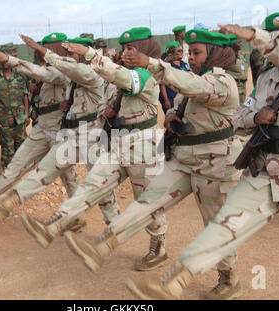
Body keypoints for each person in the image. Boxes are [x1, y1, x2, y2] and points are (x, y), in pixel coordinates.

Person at [125, 8, 279, 300]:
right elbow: (240, 116)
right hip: (267, 168)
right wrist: (256, 118)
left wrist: (257, 37)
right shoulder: (268, 77)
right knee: (225, 222)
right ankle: (175, 281)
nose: (274, 44)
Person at [65, 29, 245, 300]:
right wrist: (172, 115)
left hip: (215, 164)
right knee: (149, 199)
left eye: (196, 53)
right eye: (189, 53)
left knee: (215, 224)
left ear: (215, 53)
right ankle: (110, 243)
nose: (190, 58)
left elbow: (193, 88)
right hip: (185, 159)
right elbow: (181, 104)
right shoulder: (200, 77)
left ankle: (228, 277)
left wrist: (151, 64)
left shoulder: (223, 81)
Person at [19, 27, 168, 271]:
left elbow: (121, 78)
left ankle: (158, 243)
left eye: (132, 49)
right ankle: (57, 223)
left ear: (145, 50)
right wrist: (106, 109)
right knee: (94, 182)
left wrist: (90, 55)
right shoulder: (122, 74)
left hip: (145, 145)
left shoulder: (147, 74)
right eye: (125, 48)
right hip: (116, 140)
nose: (126, 52)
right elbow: (106, 94)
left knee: (146, 201)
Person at [0, 36, 120, 229]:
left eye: (72, 52)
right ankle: (10, 202)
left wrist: (36, 50)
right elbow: (44, 73)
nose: (68, 56)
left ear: (85, 54)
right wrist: (67, 106)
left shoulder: (90, 73)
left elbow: (70, 70)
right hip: (71, 133)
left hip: (92, 136)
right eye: (67, 52)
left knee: (100, 185)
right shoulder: (72, 78)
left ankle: (115, 228)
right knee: (45, 169)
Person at [0, 32, 79, 220]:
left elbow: (41, 73)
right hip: (42, 127)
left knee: (68, 176)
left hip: (59, 130)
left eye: (47, 47)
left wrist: (10, 59)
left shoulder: (67, 67)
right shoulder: (49, 66)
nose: (42, 51)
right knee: (16, 164)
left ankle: (75, 216)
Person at [0, 45, 30, 169]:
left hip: (19, 117)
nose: (5, 63)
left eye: (7, 60)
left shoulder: (19, 75)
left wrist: (27, 115)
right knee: (7, 149)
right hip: (4, 119)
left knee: (22, 146)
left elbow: (25, 95)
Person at [159, 41, 191, 114]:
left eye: (181, 51)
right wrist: (166, 100)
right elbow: (163, 84)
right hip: (172, 99)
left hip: (184, 97)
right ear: (171, 53)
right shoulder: (168, 66)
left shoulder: (184, 64)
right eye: (178, 51)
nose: (181, 53)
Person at [225, 34, 249, 104]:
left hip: (243, 87)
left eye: (241, 42)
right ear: (232, 44)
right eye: (238, 42)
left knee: (240, 109)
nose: (241, 44)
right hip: (234, 87)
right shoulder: (227, 57)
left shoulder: (240, 55)